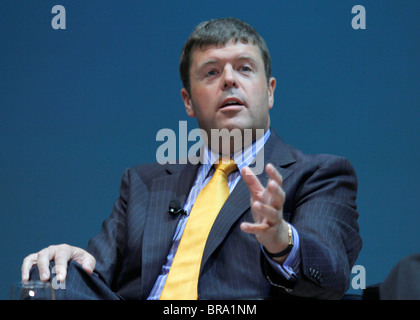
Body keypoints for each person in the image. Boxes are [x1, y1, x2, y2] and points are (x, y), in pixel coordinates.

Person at [21, 17, 362, 300]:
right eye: (211, 73)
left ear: (270, 90)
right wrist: (74, 264)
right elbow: (99, 272)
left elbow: (330, 275)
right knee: (49, 280)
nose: (229, 79)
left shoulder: (319, 174)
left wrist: (280, 241)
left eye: (244, 68)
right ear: (188, 101)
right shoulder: (143, 183)